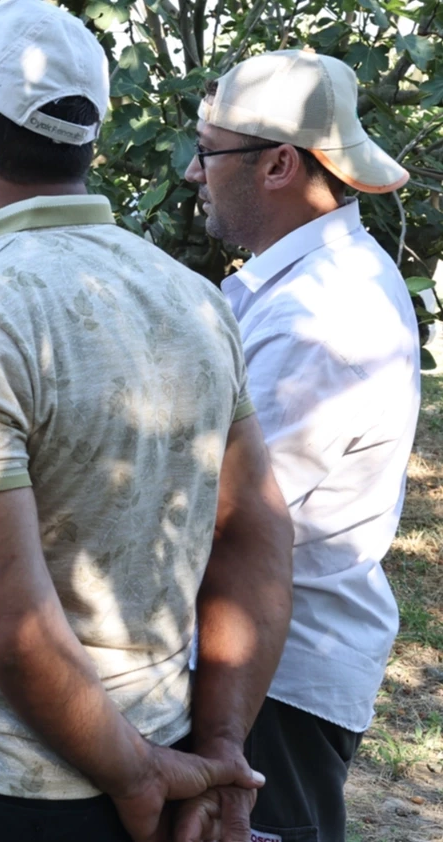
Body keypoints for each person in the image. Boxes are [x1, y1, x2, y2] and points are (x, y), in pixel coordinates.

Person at [0, 2, 297, 840]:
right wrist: (212, 748)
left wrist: (139, 772)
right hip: (160, 769)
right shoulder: (193, 301)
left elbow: (11, 622)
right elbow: (258, 533)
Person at [184, 50, 421, 842]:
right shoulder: (295, 287)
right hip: (264, 665)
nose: (193, 174)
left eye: (209, 152)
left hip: (270, 679)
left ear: (279, 163)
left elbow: (228, 517)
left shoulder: (321, 318)